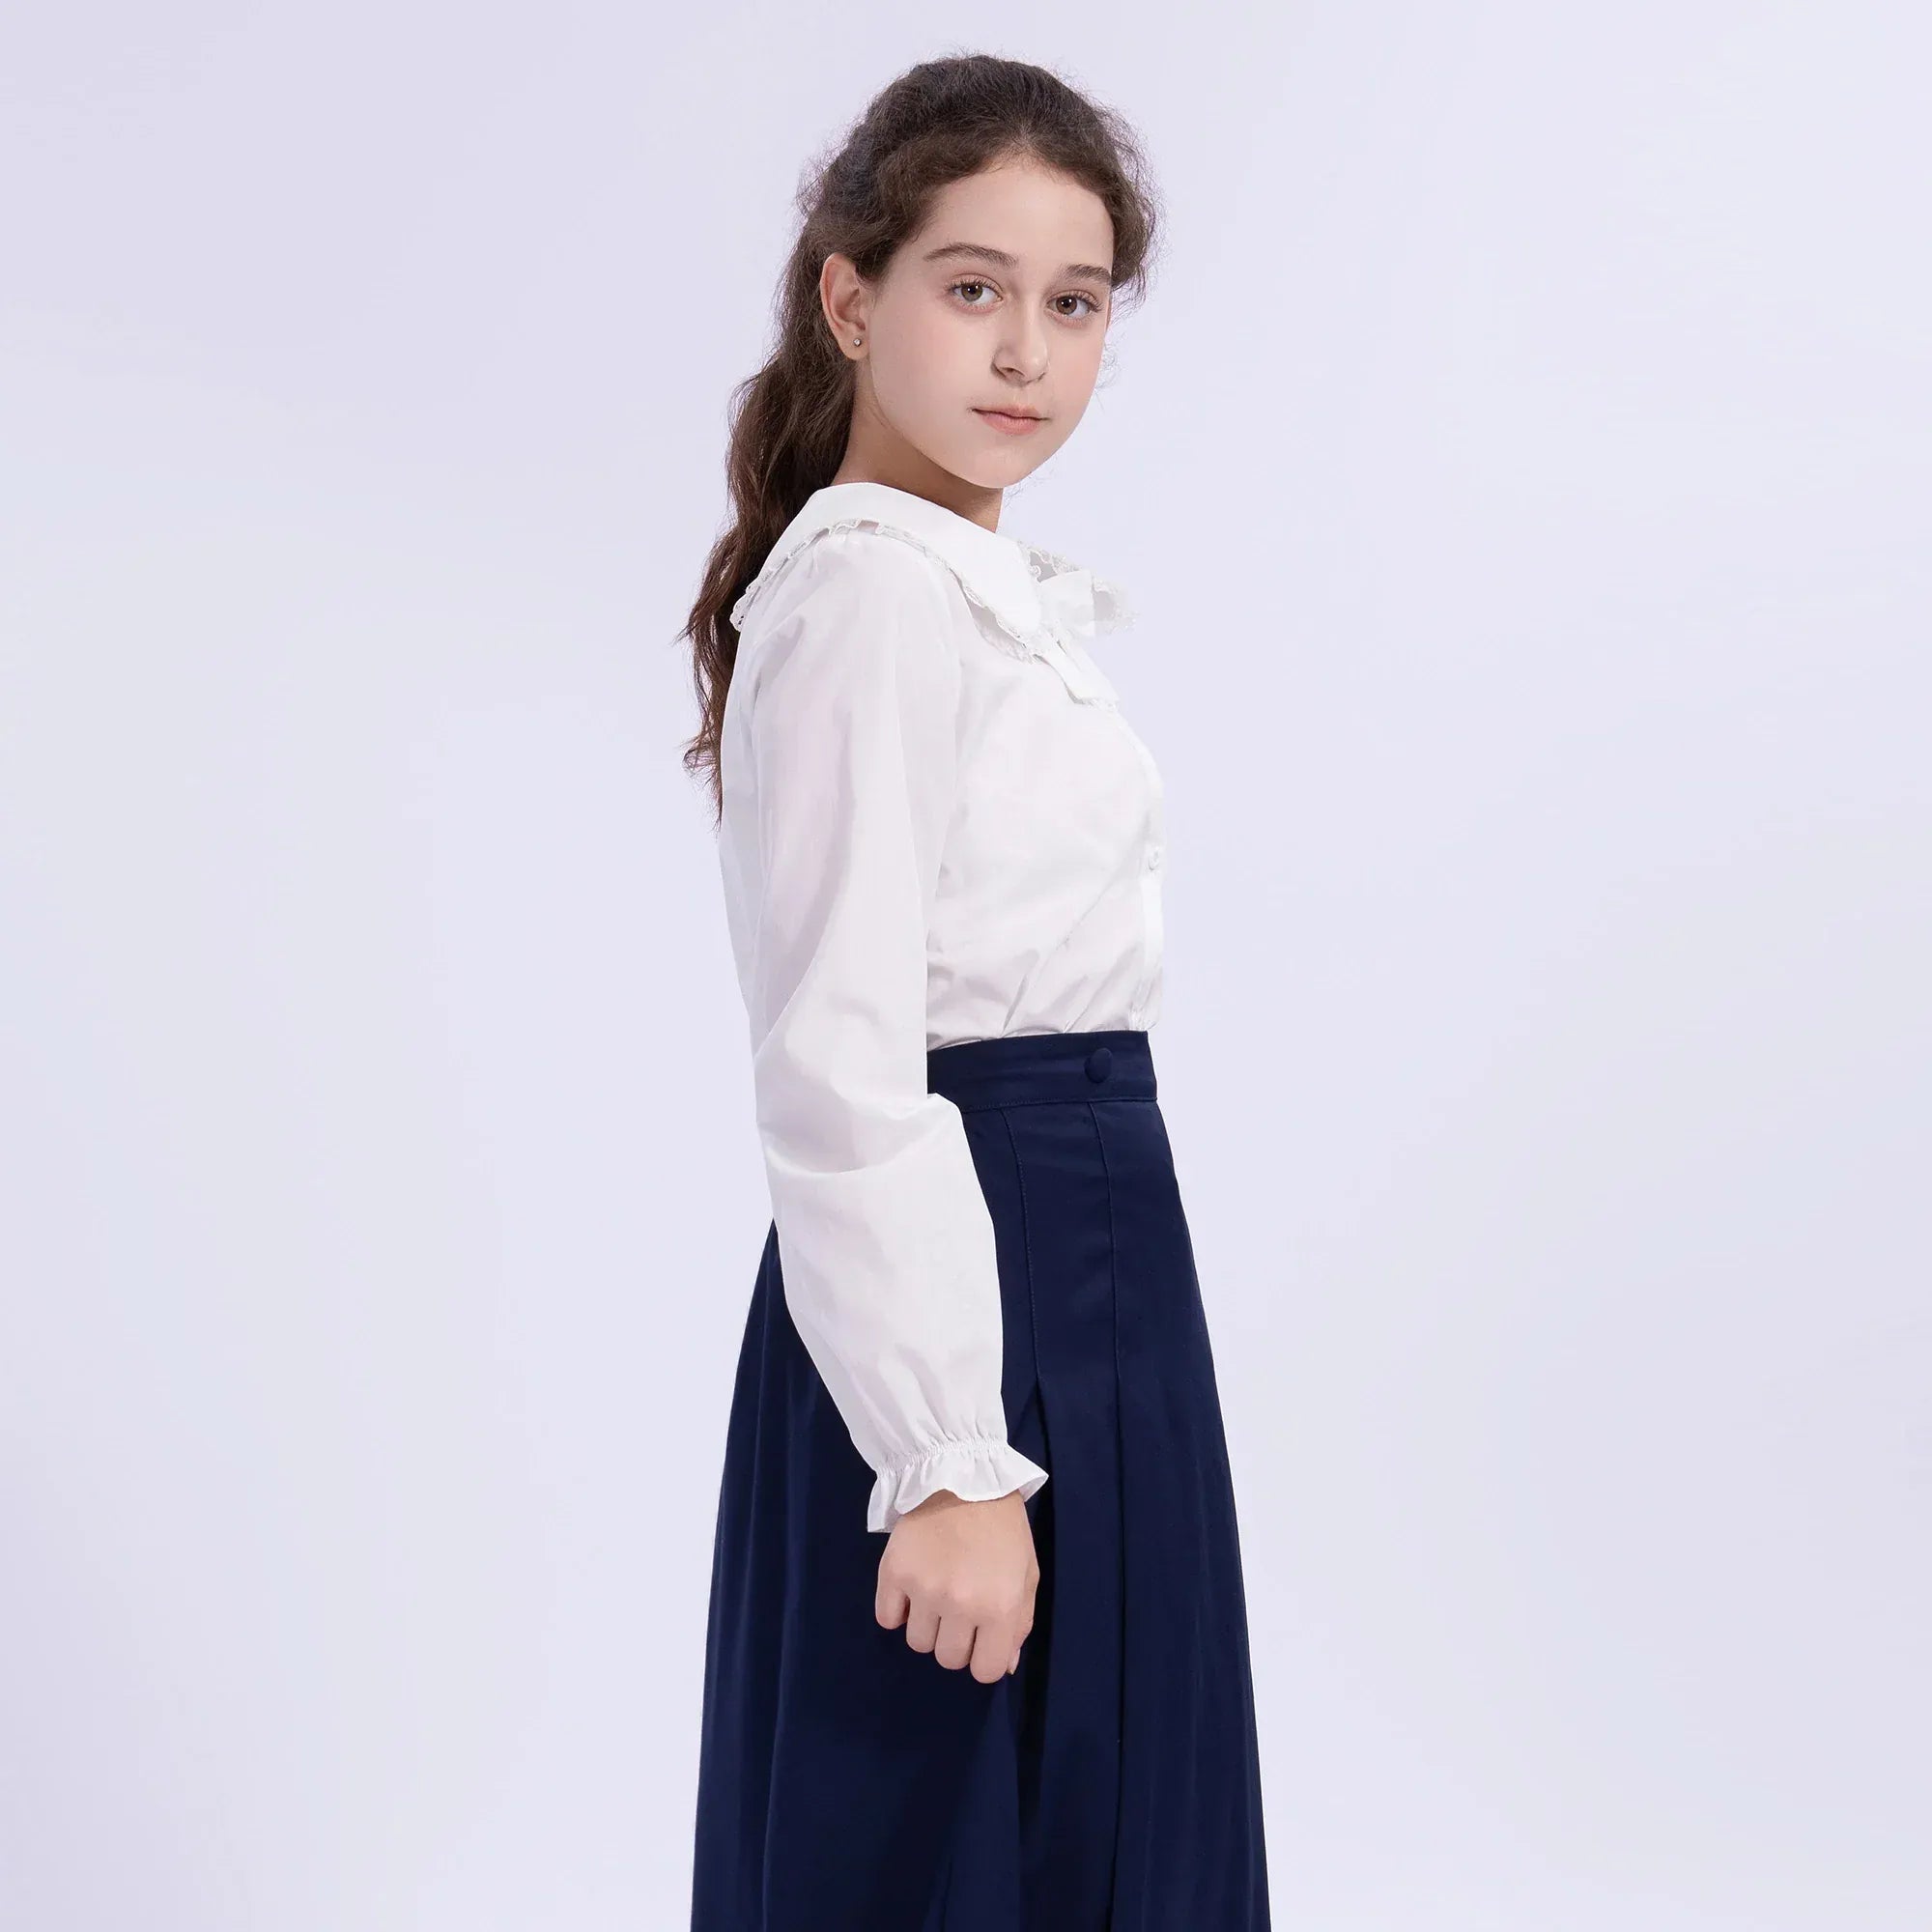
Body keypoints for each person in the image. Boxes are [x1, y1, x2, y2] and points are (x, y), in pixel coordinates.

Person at [679, 52, 1271, 1931]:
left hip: (1092, 1251)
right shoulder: (868, 596)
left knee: (1097, 1825)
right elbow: (840, 1064)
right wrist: (943, 1458)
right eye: (972, 286)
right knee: (954, 1844)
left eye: (1074, 303)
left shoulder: (957, 588)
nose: (1026, 351)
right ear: (852, 301)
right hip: (968, 1264)